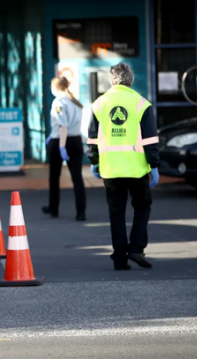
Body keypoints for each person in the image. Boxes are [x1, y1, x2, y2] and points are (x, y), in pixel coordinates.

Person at [87, 62, 160, 271]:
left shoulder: (99, 104)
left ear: (112, 81)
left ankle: (120, 258)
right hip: (137, 168)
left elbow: (92, 139)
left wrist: (94, 162)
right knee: (142, 206)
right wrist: (153, 165)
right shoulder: (141, 103)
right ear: (131, 80)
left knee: (116, 213)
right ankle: (136, 248)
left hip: (110, 168)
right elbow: (150, 139)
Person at [42, 76, 87, 221]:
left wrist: (61, 146)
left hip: (61, 141)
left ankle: (53, 208)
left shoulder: (59, 102)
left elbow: (63, 126)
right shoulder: (75, 102)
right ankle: (81, 211)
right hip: (75, 141)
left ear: (56, 87)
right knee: (77, 178)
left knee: (54, 177)